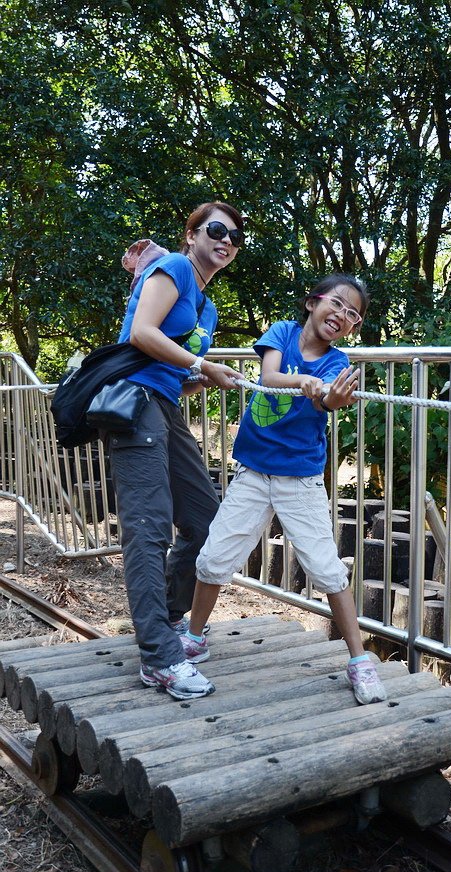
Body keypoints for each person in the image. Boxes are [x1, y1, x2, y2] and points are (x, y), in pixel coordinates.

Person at [182, 275, 387, 705]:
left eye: (353, 314)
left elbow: (328, 401)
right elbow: (271, 375)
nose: (343, 316)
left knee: (327, 568)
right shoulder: (282, 332)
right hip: (253, 474)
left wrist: (332, 398)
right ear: (313, 303)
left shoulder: (337, 362)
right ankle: (194, 636)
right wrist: (302, 383)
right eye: (337, 304)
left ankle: (359, 660)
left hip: (301, 481)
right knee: (214, 557)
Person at [107, 202, 245, 700]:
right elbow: (141, 334)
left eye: (233, 236)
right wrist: (203, 366)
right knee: (148, 526)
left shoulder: (206, 306)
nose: (225, 240)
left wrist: (199, 378)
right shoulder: (176, 269)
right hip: (134, 405)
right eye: (215, 230)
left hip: (164, 406)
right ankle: (158, 658)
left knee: (206, 519)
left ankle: (164, 623)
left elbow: (169, 363)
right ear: (191, 235)